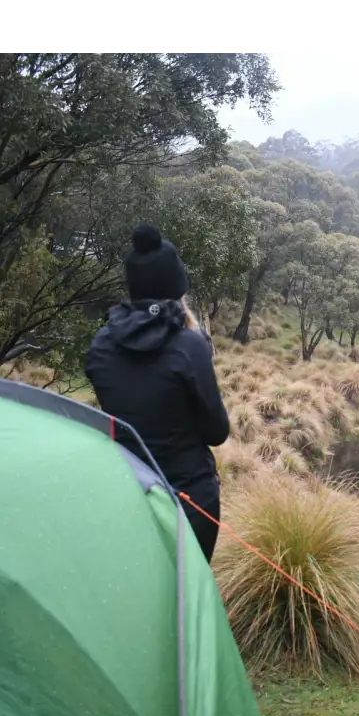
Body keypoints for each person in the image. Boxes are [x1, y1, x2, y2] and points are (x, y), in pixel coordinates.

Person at [85, 223, 230, 564]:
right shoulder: (189, 345)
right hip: (191, 502)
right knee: (187, 588)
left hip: (131, 494)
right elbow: (217, 432)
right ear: (177, 288)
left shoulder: (101, 345)